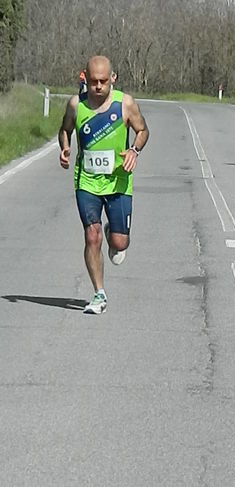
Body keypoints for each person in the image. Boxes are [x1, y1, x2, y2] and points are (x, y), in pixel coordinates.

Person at [59, 55, 149, 314]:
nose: (98, 87)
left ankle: (114, 233)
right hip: (86, 181)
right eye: (93, 81)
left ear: (113, 78)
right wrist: (65, 147)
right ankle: (99, 293)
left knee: (120, 244)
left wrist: (133, 150)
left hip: (119, 182)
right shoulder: (77, 104)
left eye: (103, 81)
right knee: (91, 235)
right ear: (84, 78)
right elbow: (64, 129)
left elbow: (143, 130)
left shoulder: (125, 104)